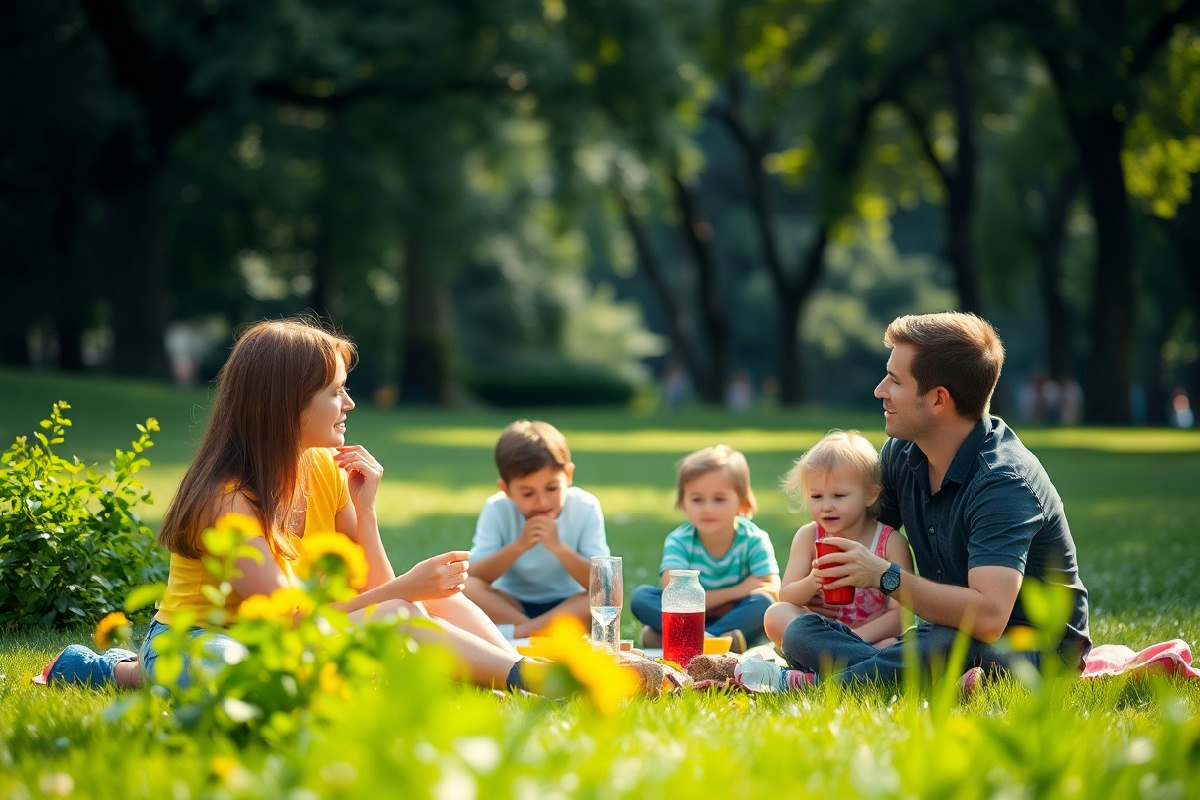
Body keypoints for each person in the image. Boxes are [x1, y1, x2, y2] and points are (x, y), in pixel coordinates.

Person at [40, 318, 542, 693]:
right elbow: (285, 621)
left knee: (437, 599)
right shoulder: (228, 501)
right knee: (245, 672)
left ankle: (525, 677)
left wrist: (366, 513)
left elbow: (377, 586)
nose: (349, 405)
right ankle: (119, 671)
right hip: (205, 637)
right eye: (336, 393)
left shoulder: (324, 465)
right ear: (286, 404)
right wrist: (405, 591)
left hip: (285, 635)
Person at [736, 312, 1091, 692]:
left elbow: (988, 619)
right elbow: (861, 533)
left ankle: (817, 686)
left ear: (938, 399)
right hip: (943, 634)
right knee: (801, 629)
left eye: (895, 380)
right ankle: (919, 680)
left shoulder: (1003, 482)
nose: (879, 390)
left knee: (945, 641)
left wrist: (885, 576)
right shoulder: (903, 454)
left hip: (1029, 649)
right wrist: (819, 589)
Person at [762, 430, 914, 669]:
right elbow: (787, 596)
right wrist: (813, 581)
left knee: (891, 643)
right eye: (817, 496)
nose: (826, 506)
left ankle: (820, 667)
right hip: (819, 631)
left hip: (870, 637)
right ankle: (860, 666)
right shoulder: (809, 536)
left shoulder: (890, 542)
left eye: (839, 496)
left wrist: (852, 640)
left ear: (870, 495)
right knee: (776, 614)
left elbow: (901, 616)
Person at [463, 420, 609, 639]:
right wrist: (519, 546)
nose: (542, 502)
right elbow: (475, 574)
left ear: (568, 476)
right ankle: (544, 634)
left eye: (551, 488)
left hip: (567, 603)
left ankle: (521, 634)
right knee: (467, 587)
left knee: (603, 596)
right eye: (528, 493)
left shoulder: (585, 506)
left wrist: (558, 548)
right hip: (509, 604)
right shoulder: (497, 508)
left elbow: (601, 582)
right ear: (507, 490)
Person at [631, 445, 780, 654]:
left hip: (735, 616)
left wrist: (718, 602)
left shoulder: (754, 539)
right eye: (697, 499)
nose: (707, 508)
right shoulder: (680, 540)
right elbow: (670, 589)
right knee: (642, 597)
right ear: (683, 502)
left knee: (764, 603)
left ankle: (679, 639)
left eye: (719, 499)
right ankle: (717, 642)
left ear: (743, 503)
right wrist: (737, 591)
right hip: (688, 615)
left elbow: (773, 590)